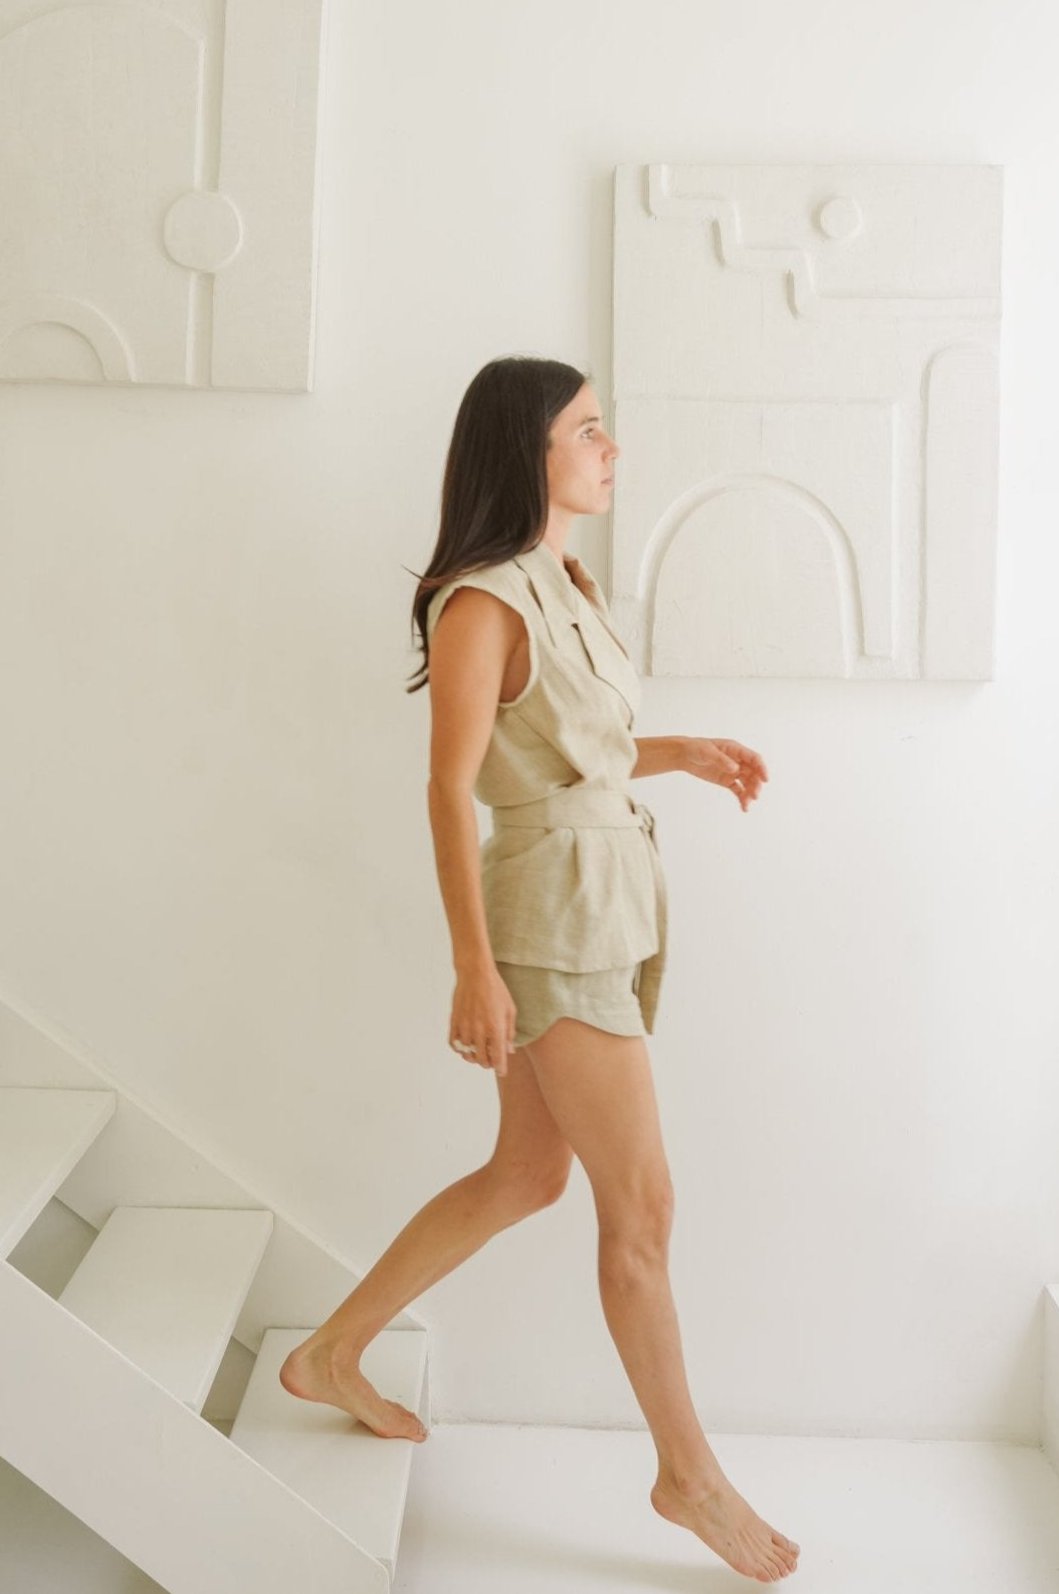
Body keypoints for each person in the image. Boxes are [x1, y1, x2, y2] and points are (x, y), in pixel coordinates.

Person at [278, 356, 800, 1584]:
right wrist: (475, 971)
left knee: (526, 1172)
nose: (612, 450)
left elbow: (575, 751)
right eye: (591, 431)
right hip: (548, 922)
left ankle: (329, 1353)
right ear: (532, 451)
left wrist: (684, 750)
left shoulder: (564, 579)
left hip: (605, 898)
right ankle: (688, 1475)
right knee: (643, 1209)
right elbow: (452, 790)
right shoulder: (481, 603)